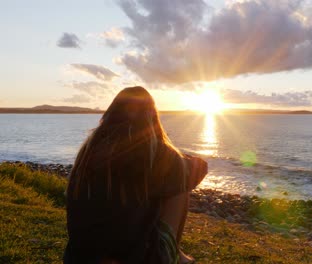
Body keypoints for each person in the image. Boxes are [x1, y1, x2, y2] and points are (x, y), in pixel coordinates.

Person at [64, 87, 207, 264]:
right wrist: (184, 160)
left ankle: (175, 253)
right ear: (151, 115)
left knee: (170, 179)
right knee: (181, 182)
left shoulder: (88, 150)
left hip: (80, 257)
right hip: (135, 258)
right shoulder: (152, 152)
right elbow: (199, 168)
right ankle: (172, 254)